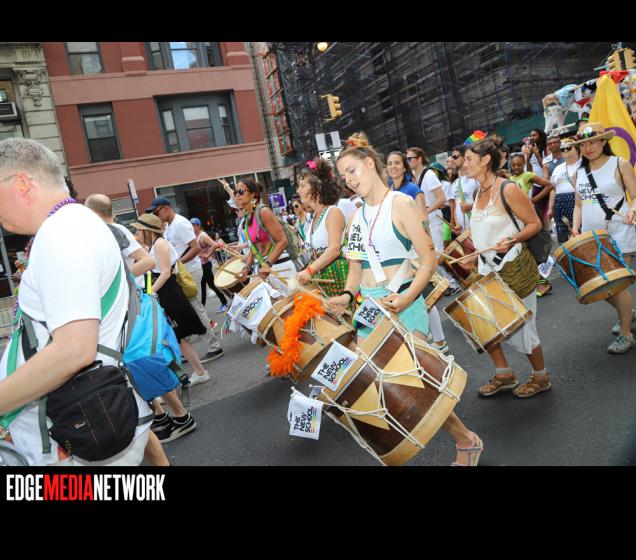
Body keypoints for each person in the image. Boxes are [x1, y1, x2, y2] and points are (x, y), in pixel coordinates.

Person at [328, 132, 483, 466]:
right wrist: (345, 295)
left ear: (370, 163)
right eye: (344, 176)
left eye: (352, 171)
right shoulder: (356, 217)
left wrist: (407, 297)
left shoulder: (400, 203)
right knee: (389, 386)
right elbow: (355, 270)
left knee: (418, 383)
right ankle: (463, 439)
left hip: (404, 302)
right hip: (370, 310)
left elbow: (428, 259)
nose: (349, 180)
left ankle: (466, 440)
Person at [0, 138, 152, 465]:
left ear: (22, 184)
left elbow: (73, 351)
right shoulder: (74, 224)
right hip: (76, 424)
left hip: (70, 436)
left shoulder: (62, 233)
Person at [462, 138, 552, 398]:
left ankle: (541, 376)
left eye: (469, 159)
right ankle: (504, 374)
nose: (464, 164)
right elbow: (483, 232)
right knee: (483, 324)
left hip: (514, 268)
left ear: (485, 161)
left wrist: (512, 239)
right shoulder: (477, 192)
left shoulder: (508, 189)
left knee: (523, 328)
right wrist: (472, 257)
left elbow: (534, 224)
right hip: (487, 271)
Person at [571, 122, 636, 354]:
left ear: (603, 141)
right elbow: (579, 205)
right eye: (583, 144)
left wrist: (632, 210)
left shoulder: (619, 164)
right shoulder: (579, 172)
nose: (588, 148)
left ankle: (626, 333)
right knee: (600, 286)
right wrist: (575, 227)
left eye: (593, 142)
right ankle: (627, 313)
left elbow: (635, 196)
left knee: (616, 286)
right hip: (593, 237)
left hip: (620, 232)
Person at [146, 196, 224, 364]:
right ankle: (186, 350)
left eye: (157, 212)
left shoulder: (180, 223)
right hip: (181, 272)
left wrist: (176, 264)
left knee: (195, 308)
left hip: (188, 272)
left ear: (166, 208)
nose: (156, 215)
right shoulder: (169, 226)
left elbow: (196, 248)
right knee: (186, 311)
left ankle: (214, 346)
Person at [405, 146, 451, 352]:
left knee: (434, 260)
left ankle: (442, 287)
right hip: (421, 227)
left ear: (420, 158)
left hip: (432, 223)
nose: (408, 161)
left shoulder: (429, 174)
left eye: (410, 158)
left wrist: (424, 211)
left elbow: (441, 198)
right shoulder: (413, 178)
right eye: (407, 159)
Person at [295, 158, 349, 297]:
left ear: (317, 188)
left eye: (302, 186)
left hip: (336, 276)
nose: (298, 190)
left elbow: (334, 250)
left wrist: (310, 270)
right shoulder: (314, 217)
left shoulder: (333, 212)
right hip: (320, 279)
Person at [509, 152, 556, 297]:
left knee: (535, 250)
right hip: (518, 219)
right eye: (513, 165)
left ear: (524, 164)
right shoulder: (510, 179)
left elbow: (549, 185)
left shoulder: (528, 175)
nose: (516, 167)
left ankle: (544, 284)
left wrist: (533, 200)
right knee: (528, 252)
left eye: (519, 164)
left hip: (529, 216)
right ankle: (539, 283)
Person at [234, 178, 295, 288]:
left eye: (241, 191)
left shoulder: (263, 211)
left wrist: (268, 263)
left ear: (253, 194)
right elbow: (254, 247)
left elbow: (283, 241)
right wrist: (247, 268)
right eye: (236, 192)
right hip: (264, 268)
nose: (237, 195)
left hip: (280, 267)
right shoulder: (247, 216)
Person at [191, 218, 228, 313]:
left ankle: (225, 302)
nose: (191, 227)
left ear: (198, 226)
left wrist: (208, 255)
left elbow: (215, 245)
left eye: (193, 225)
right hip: (200, 264)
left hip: (205, 264)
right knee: (202, 286)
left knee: (211, 284)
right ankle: (202, 308)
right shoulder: (194, 235)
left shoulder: (202, 235)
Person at [547, 138, 580, 244]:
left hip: (577, 201)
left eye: (569, 148)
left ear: (577, 149)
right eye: (562, 149)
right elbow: (553, 189)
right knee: (563, 235)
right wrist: (550, 208)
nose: (565, 150)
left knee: (579, 232)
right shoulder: (557, 169)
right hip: (559, 203)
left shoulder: (583, 165)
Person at [448, 144, 480, 236]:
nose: (452, 160)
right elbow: (455, 205)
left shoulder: (476, 178)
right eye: (452, 157)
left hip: (477, 227)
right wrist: (457, 224)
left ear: (464, 158)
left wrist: (471, 206)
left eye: (455, 157)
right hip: (463, 232)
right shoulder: (455, 183)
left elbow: (487, 200)